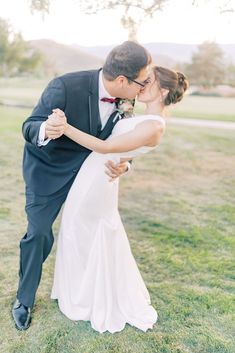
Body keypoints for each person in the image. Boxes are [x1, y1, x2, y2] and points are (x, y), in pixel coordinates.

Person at [12, 41, 152, 331]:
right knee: (38, 234)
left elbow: (122, 142)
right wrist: (45, 129)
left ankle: (83, 292)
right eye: (141, 81)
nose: (144, 87)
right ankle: (23, 300)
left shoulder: (127, 100)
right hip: (47, 173)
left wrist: (126, 165)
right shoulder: (64, 86)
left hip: (90, 178)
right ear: (123, 80)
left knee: (93, 232)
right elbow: (29, 125)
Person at [49, 66, 189, 333]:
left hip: (99, 179)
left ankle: (85, 298)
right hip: (97, 173)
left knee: (80, 230)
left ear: (164, 91)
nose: (144, 83)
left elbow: (106, 147)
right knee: (76, 231)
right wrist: (125, 166)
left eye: (151, 81)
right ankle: (77, 291)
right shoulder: (137, 113)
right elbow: (123, 152)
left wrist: (65, 127)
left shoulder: (155, 125)